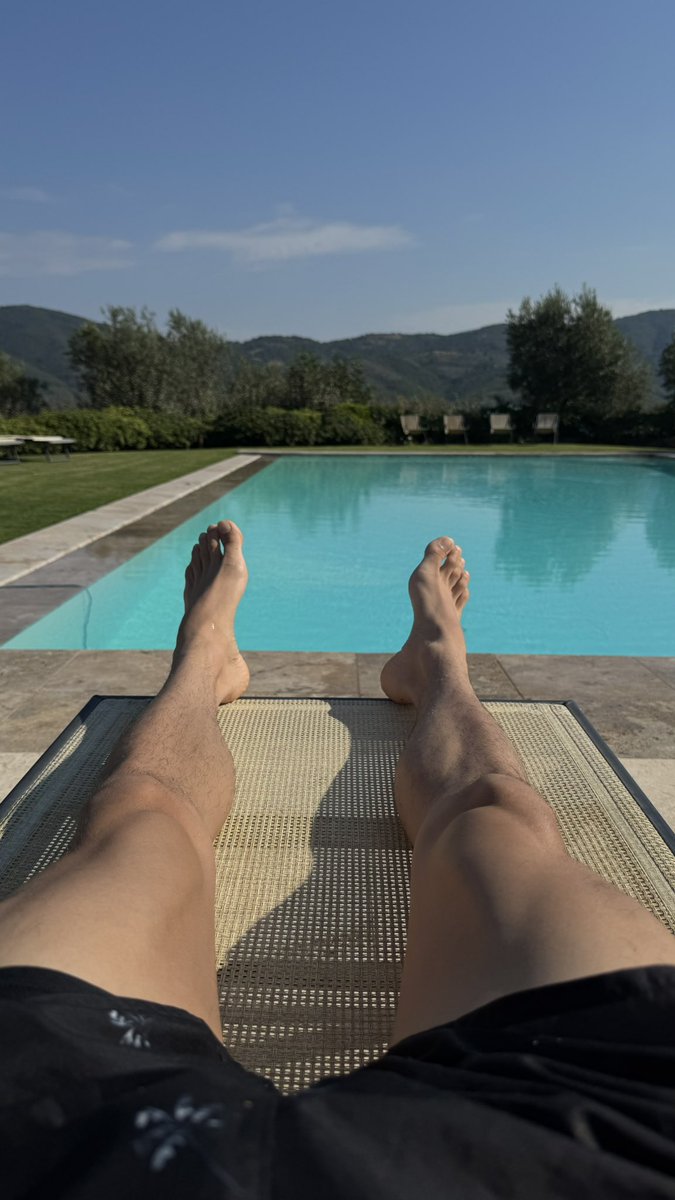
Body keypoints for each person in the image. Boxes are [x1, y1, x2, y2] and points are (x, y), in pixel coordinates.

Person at [0, 520, 674, 1198]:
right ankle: (437, 666)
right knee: (493, 812)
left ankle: (204, 658)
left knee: (142, 813)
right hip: (597, 1147)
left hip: (53, 1145)